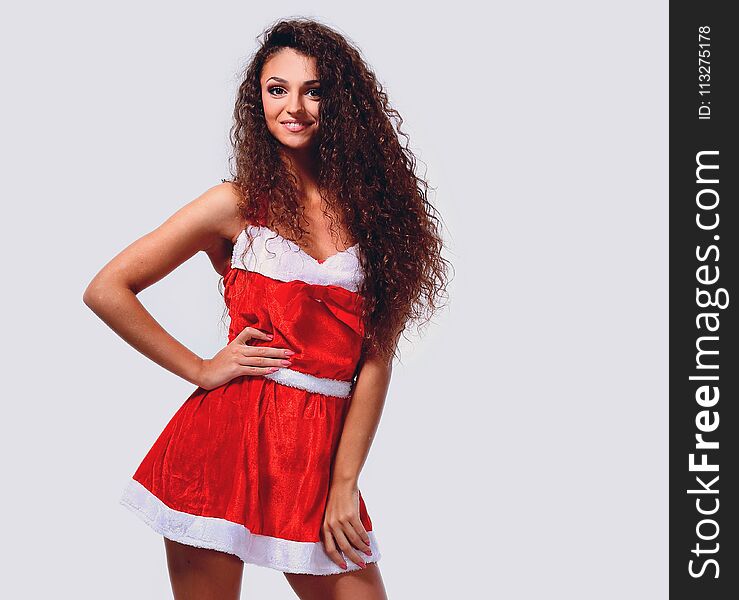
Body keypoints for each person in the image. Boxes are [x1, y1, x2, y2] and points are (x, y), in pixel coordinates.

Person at [83, 17, 449, 600]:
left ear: (343, 102)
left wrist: (344, 483)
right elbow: (107, 288)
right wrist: (202, 369)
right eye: (277, 89)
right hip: (224, 446)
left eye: (314, 90)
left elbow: (374, 363)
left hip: (318, 457)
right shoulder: (234, 204)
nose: (295, 106)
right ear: (258, 100)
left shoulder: (379, 217)